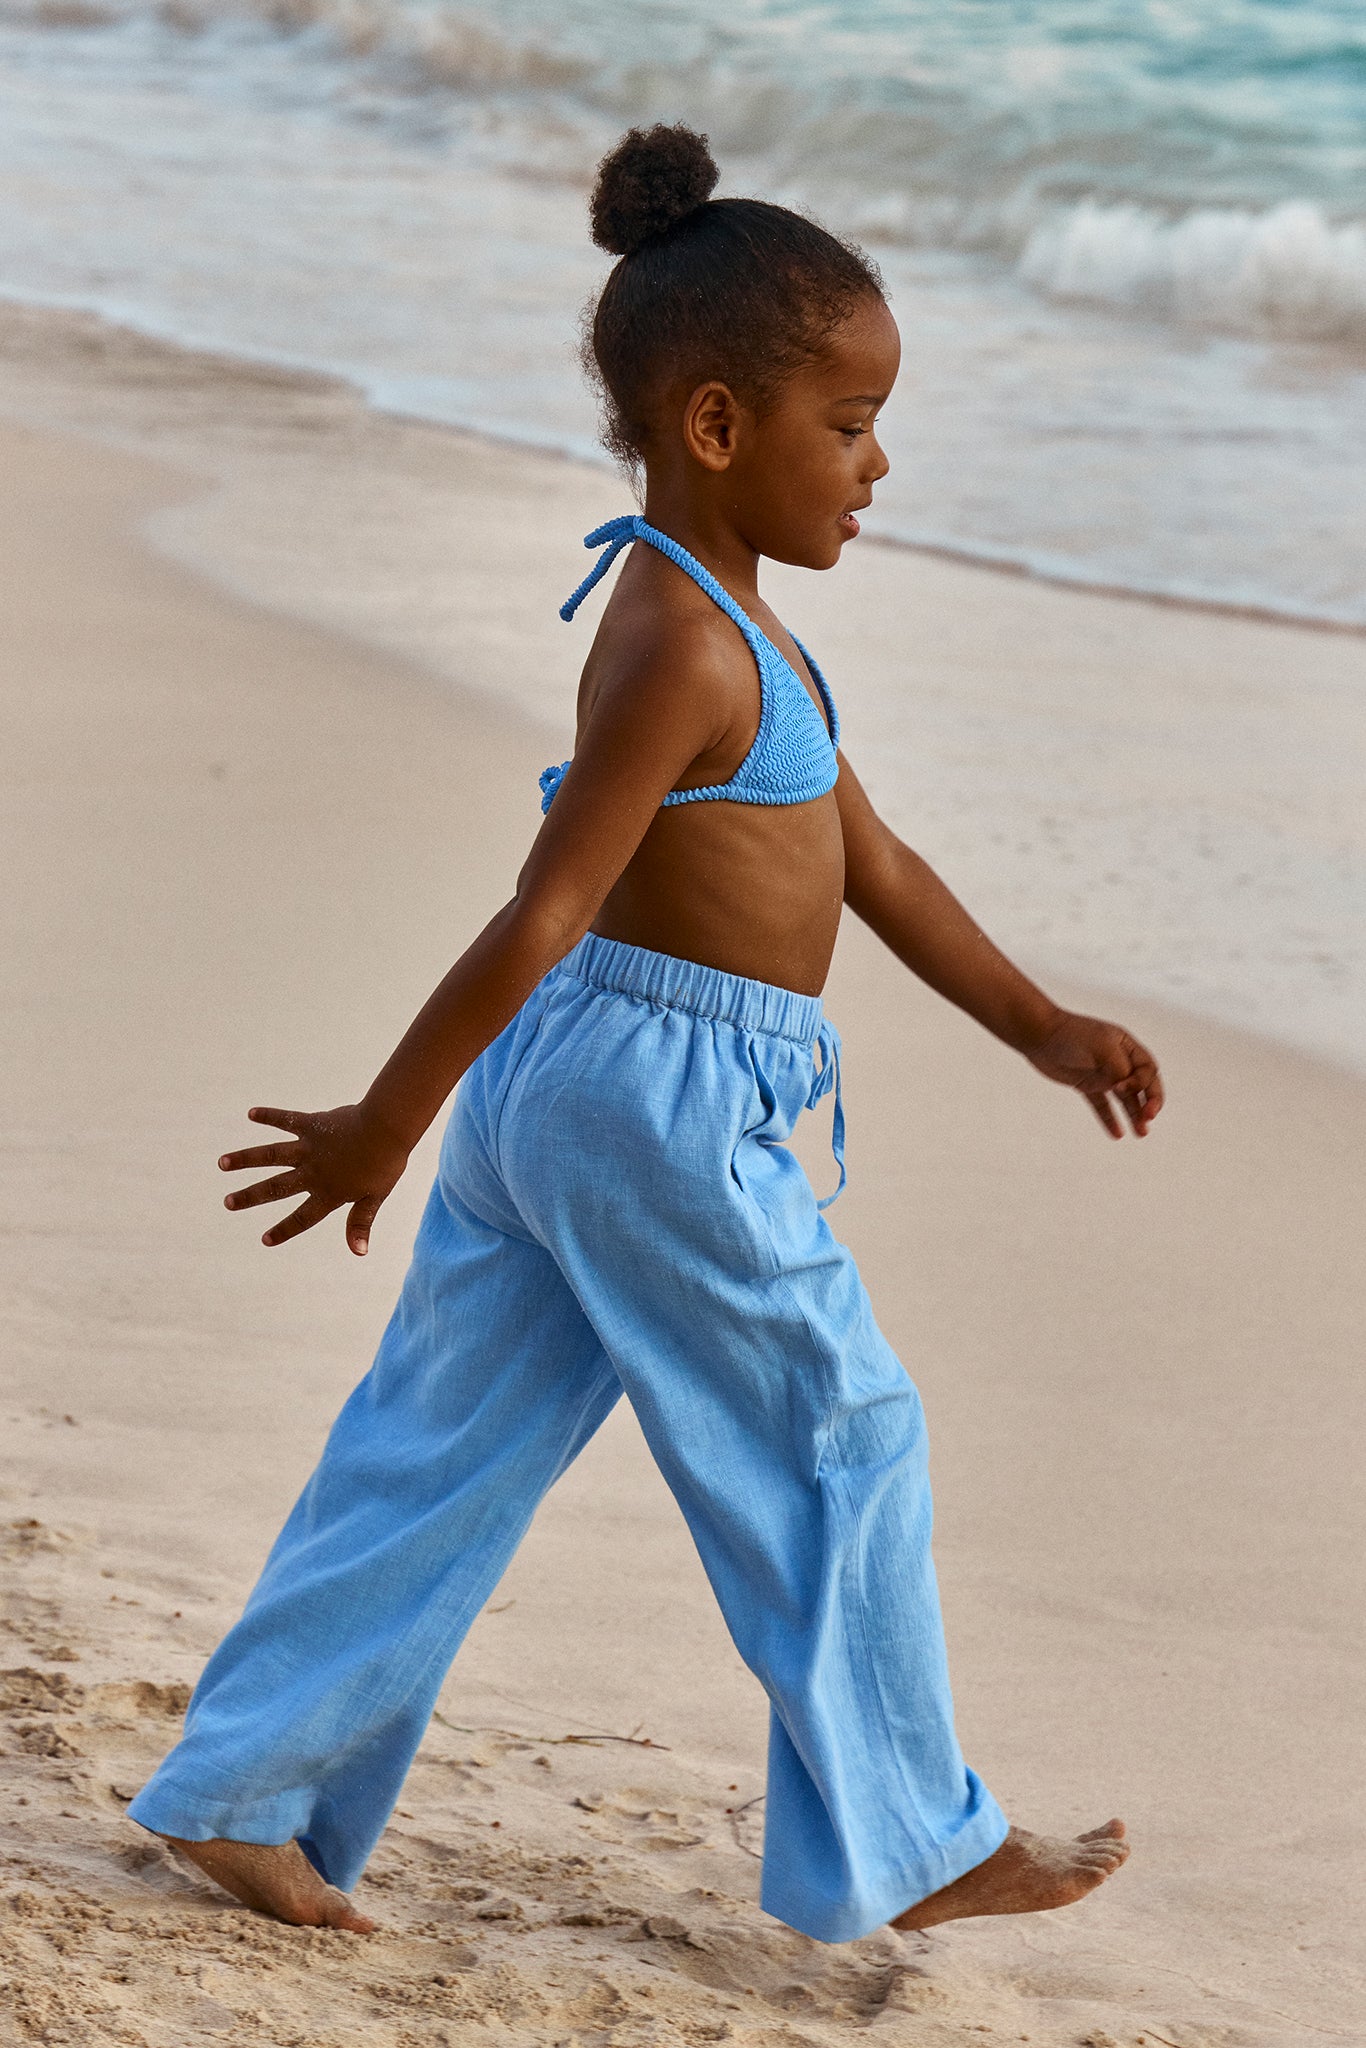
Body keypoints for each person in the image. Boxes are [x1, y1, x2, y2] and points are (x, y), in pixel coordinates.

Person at [129, 123, 1157, 1944]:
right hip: (654, 1110)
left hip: (571, 1102)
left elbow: (873, 861)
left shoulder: (738, 628)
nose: (876, 459)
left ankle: (243, 1791)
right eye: (844, 424)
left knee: (431, 1450)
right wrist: (380, 1115)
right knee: (843, 1433)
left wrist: (1042, 1028)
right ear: (711, 429)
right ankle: (913, 1837)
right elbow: (546, 903)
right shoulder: (682, 647)